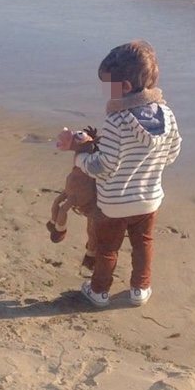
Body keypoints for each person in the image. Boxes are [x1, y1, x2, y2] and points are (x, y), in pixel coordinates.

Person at [74, 40, 181, 308]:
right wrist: (150, 165)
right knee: (143, 243)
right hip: (149, 199)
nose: (105, 91)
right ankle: (140, 288)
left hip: (114, 203)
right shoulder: (167, 114)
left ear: (123, 87)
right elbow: (173, 152)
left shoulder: (117, 121)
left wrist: (82, 158)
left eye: (107, 85)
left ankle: (99, 291)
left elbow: (105, 165)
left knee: (107, 248)